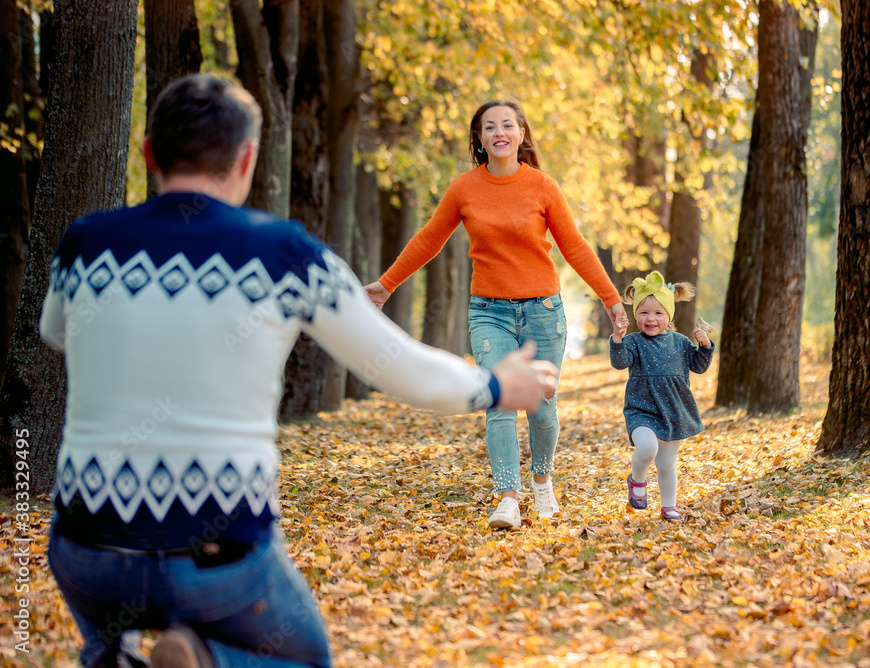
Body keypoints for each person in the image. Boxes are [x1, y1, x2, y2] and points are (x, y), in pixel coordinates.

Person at [40, 74, 558, 668]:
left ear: (148, 153)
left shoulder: (84, 244)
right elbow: (392, 363)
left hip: (87, 544)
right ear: (248, 158)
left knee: (108, 635)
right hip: (219, 549)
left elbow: (55, 333)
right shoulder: (283, 253)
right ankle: (208, 662)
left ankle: (116, 655)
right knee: (302, 657)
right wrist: (493, 386)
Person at [364, 99, 629, 529]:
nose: (499, 132)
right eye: (490, 127)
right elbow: (429, 239)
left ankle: (542, 479)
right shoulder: (464, 188)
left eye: (508, 125)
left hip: (543, 311)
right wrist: (386, 283)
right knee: (499, 399)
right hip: (490, 312)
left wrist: (611, 298)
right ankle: (508, 495)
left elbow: (575, 246)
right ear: (480, 139)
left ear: (521, 134)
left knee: (542, 407)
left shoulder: (543, 187)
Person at [609, 271, 714, 521]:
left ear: (669, 316)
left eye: (658, 313)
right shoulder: (633, 342)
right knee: (647, 447)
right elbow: (620, 362)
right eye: (644, 313)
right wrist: (617, 339)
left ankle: (669, 506)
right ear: (636, 315)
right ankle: (637, 480)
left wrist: (706, 345)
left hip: (674, 410)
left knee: (667, 464)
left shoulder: (680, 342)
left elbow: (698, 366)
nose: (651, 319)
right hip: (642, 409)